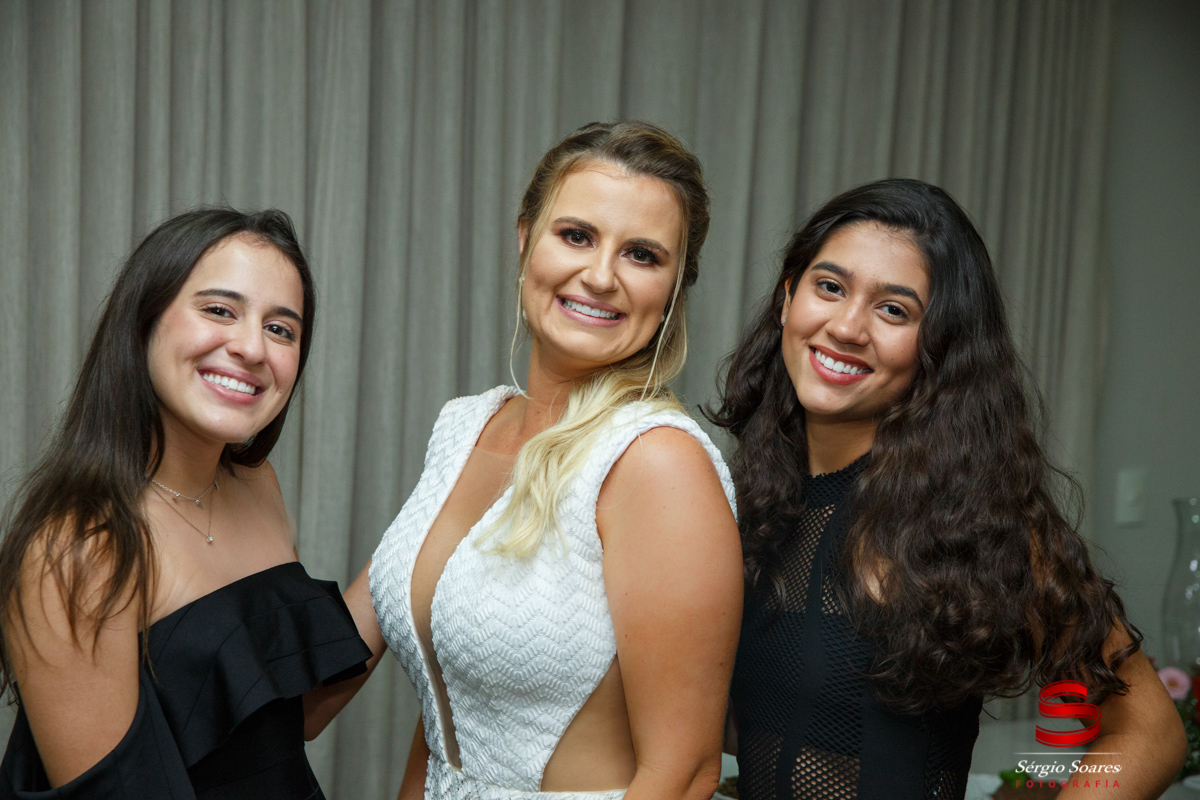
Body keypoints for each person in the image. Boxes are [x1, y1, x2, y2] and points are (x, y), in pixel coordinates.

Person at [304, 121, 743, 799]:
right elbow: (446, 695)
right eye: (577, 235)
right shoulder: (465, 426)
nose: (600, 276)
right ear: (525, 238)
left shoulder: (657, 462)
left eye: (642, 255)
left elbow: (683, 775)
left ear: (674, 288)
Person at [707, 178, 1185, 800]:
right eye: (830, 287)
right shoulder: (748, 496)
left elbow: (1150, 732)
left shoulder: (973, 519)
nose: (847, 327)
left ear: (940, 348)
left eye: (894, 310)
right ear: (787, 297)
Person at [0, 208, 371, 799]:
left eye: (281, 329)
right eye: (219, 310)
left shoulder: (257, 484)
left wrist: (418, 542)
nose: (252, 347)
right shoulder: (80, 550)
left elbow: (284, 722)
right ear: (144, 321)